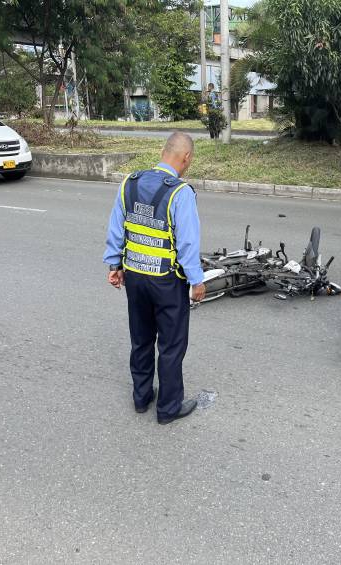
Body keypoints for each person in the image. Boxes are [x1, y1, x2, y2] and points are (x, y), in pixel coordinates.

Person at [103, 132, 206, 425]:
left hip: (134, 277)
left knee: (141, 339)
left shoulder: (130, 183)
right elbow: (187, 245)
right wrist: (197, 282)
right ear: (185, 158)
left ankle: (141, 397)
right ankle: (168, 408)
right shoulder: (180, 193)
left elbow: (117, 227)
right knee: (171, 346)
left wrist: (114, 264)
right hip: (167, 282)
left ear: (164, 151)